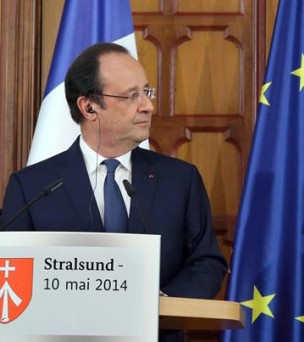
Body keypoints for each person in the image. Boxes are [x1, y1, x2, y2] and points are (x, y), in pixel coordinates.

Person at [0, 43, 228, 341]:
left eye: (146, 92)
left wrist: (160, 302)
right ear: (89, 107)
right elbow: (12, 274)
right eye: (131, 95)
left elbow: (207, 262)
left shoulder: (180, 179)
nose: (148, 106)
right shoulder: (32, 186)